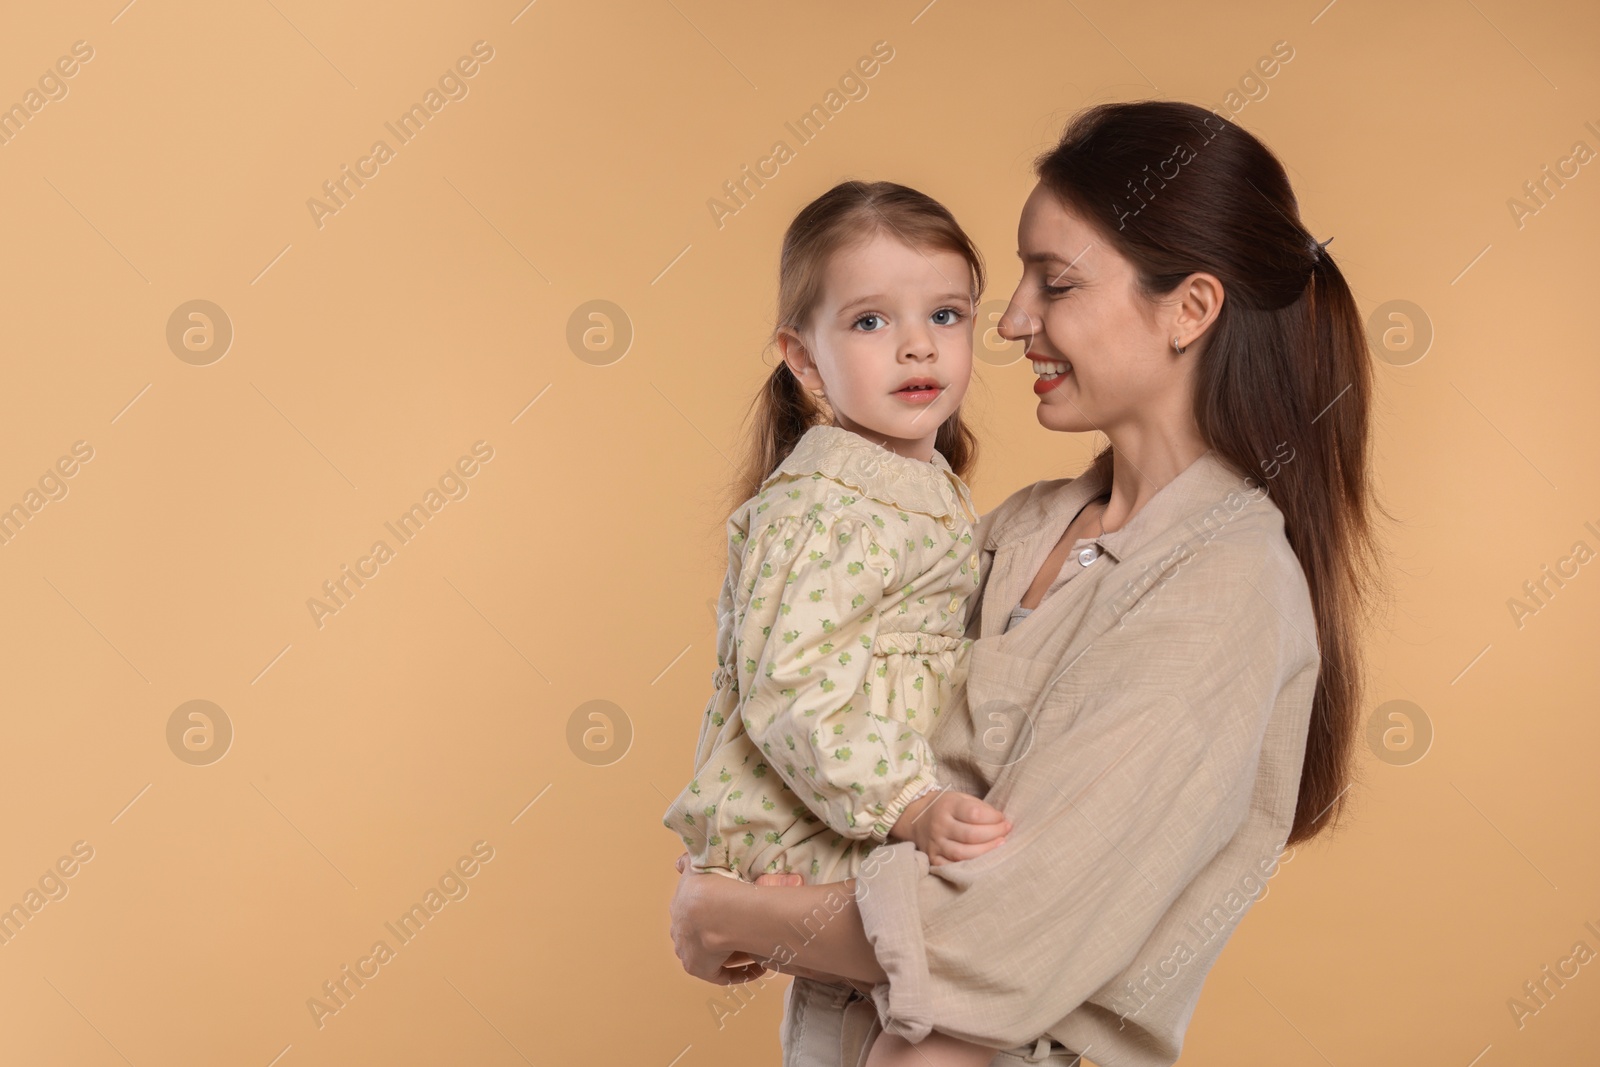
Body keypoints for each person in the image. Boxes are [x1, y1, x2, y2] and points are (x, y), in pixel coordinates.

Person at [668, 100, 1390, 1067]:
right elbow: (824, 715)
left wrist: (733, 911)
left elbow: (990, 940)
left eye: (1055, 284)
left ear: (1190, 308)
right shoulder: (1013, 528)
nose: (1009, 323)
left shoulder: (1226, 592)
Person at [661, 179, 1026, 1066]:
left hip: (866, 844)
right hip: (831, 831)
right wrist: (910, 803)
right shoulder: (827, 499)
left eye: (945, 314)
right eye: (869, 322)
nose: (914, 344)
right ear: (806, 360)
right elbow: (793, 687)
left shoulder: (918, 485)